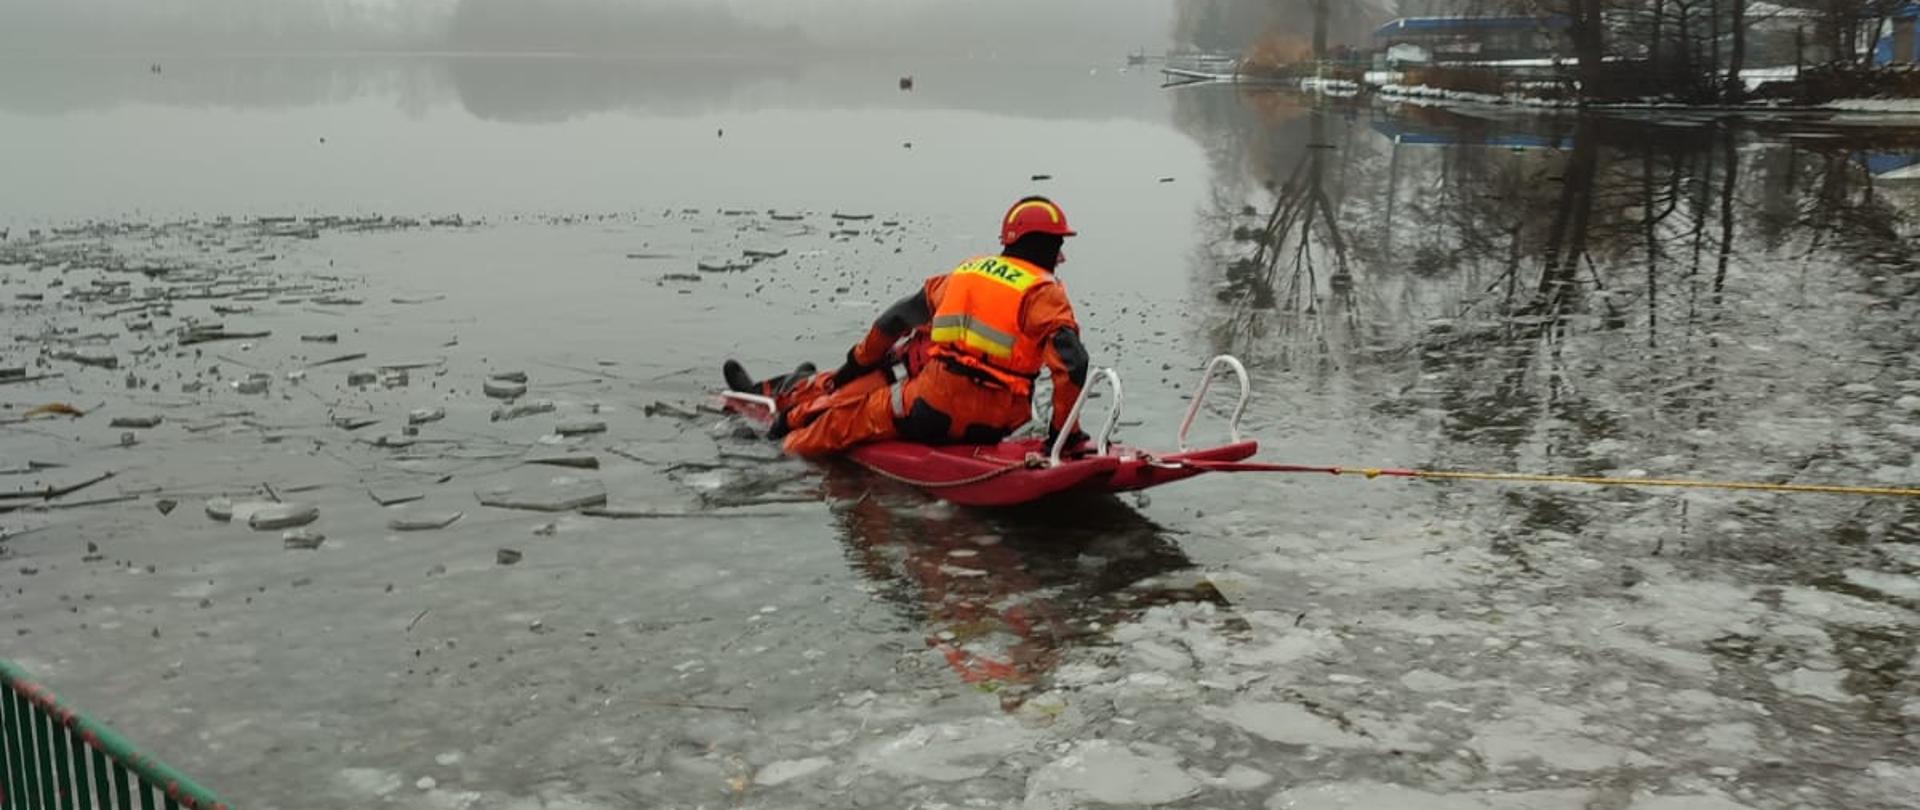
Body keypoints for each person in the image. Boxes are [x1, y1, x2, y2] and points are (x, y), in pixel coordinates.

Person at [723, 196, 1091, 457]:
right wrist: (1064, 437)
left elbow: (894, 319)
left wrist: (857, 362)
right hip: (1000, 417)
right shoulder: (1046, 293)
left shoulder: (962, 276)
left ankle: (777, 440)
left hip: (929, 401)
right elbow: (1071, 365)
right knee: (830, 386)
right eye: (1058, 244)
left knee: (838, 410)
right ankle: (776, 394)